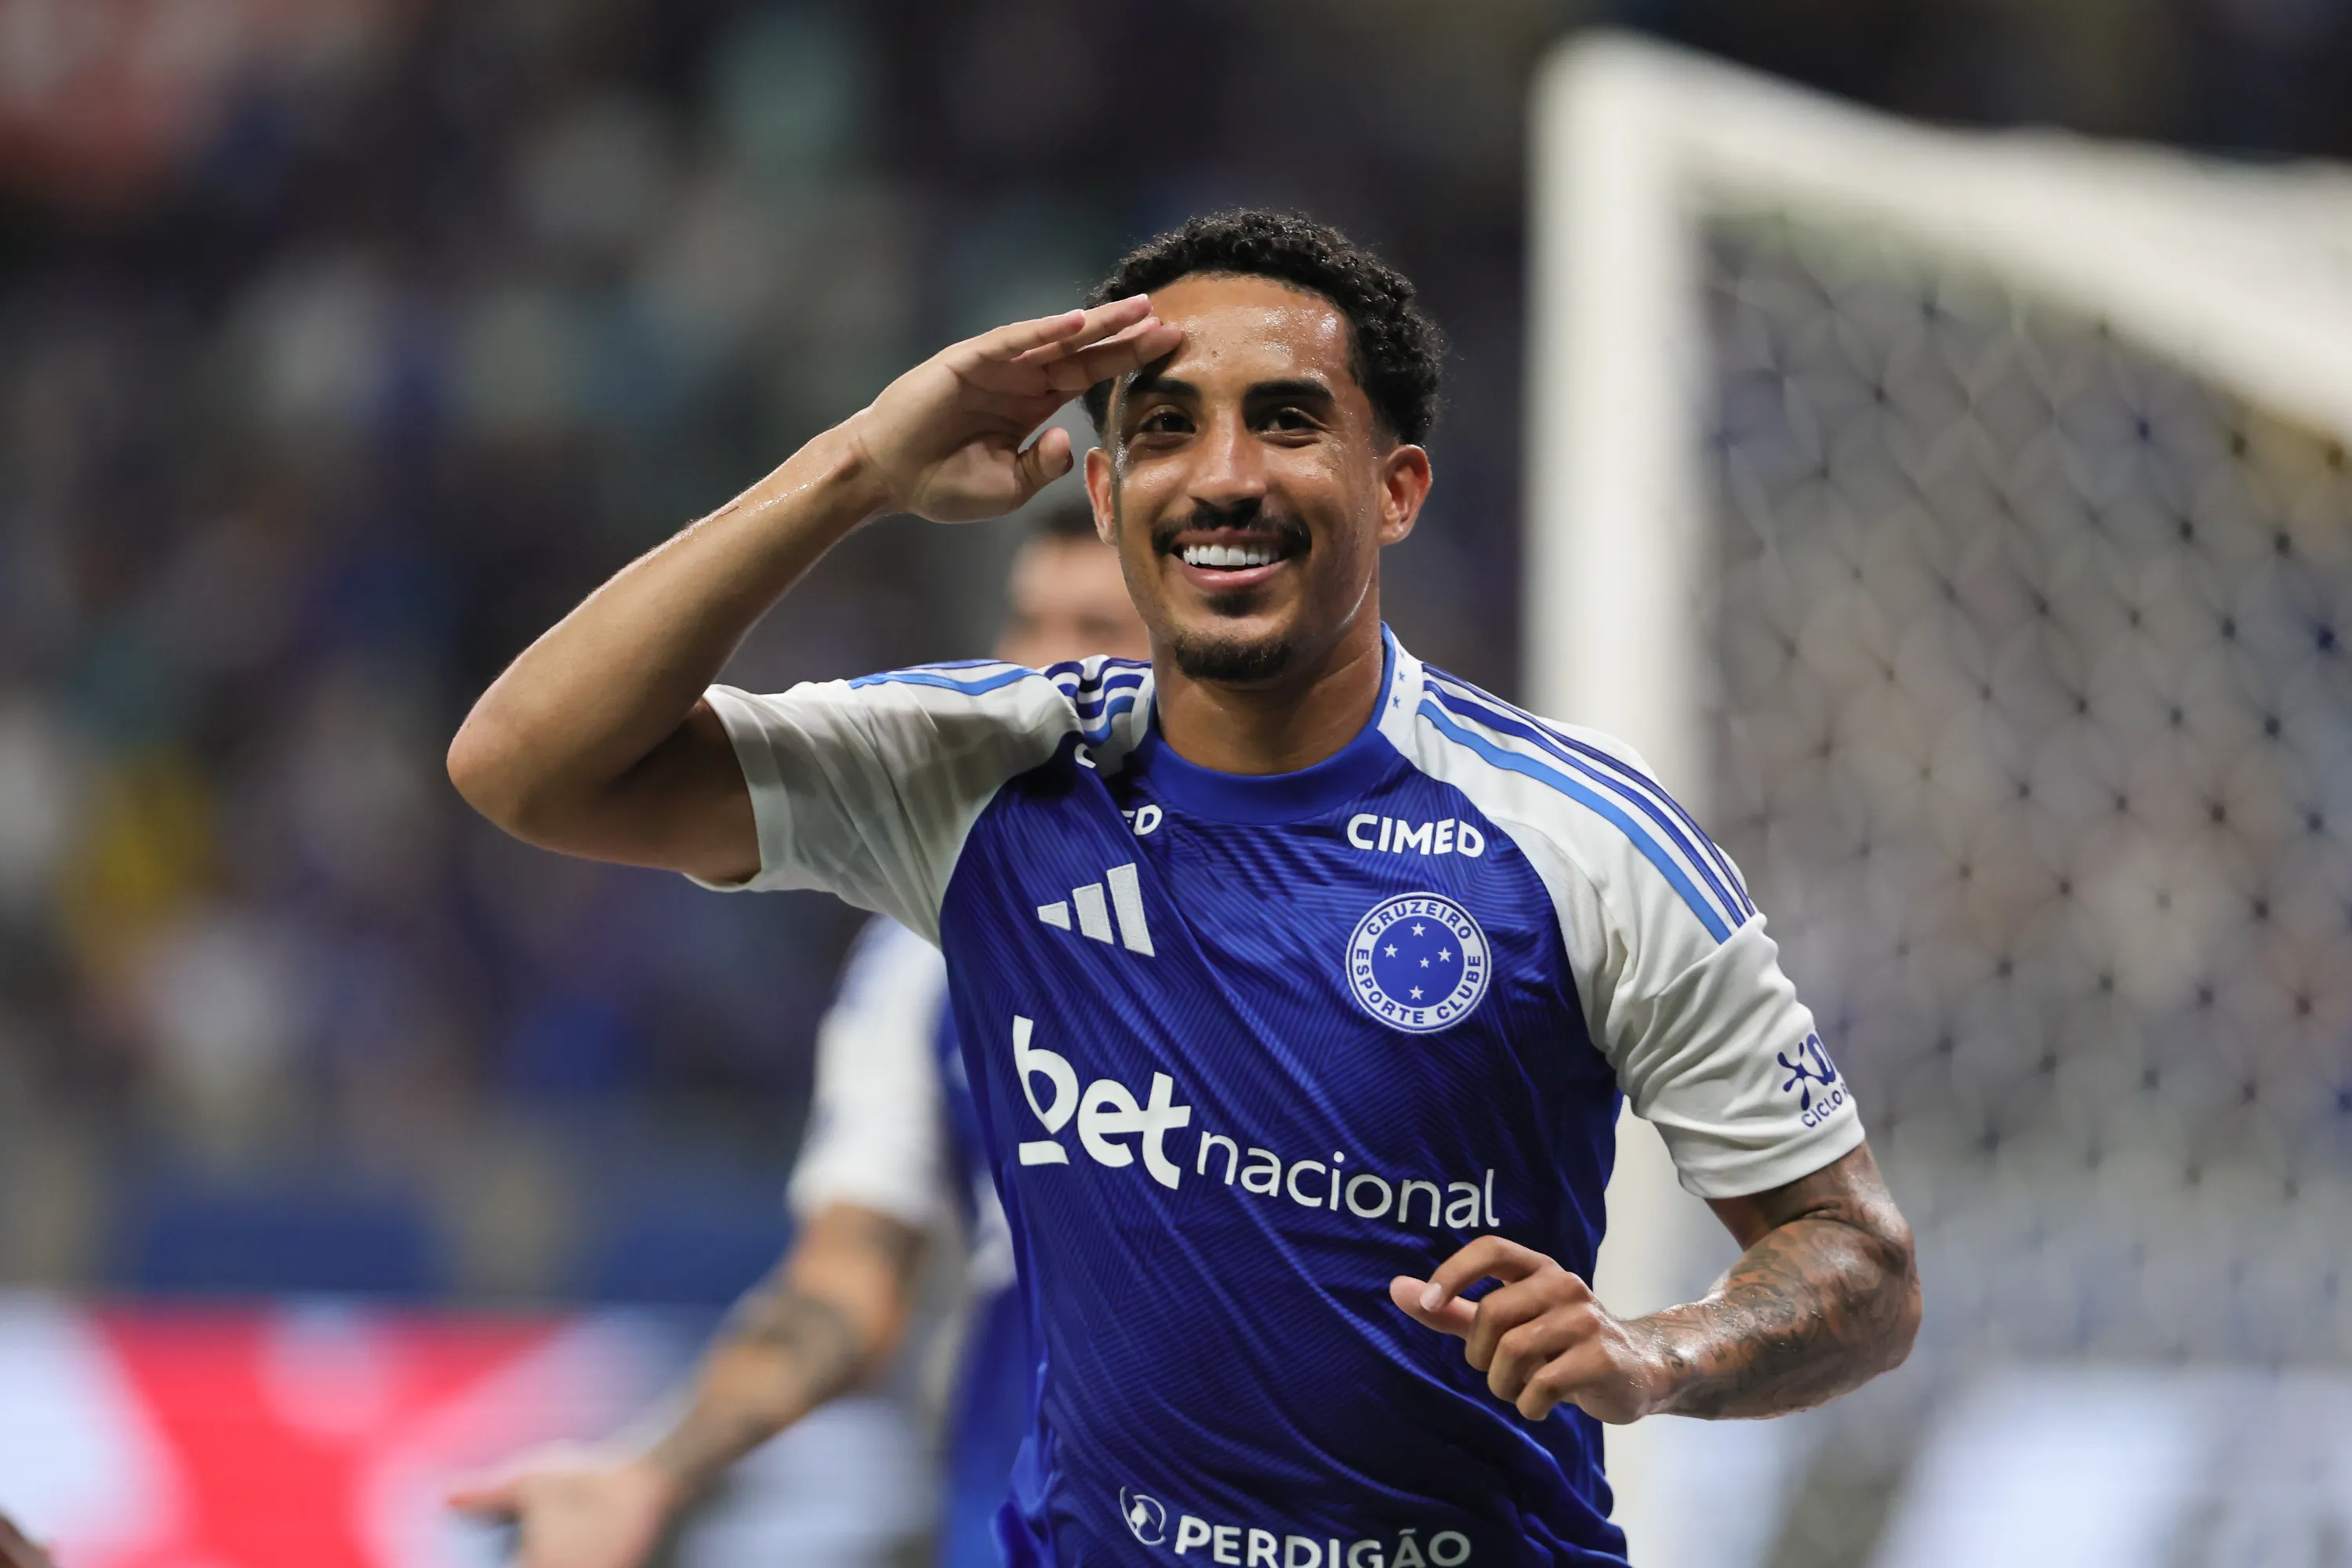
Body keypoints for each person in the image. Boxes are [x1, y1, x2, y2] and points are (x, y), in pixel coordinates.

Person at [448, 209, 1921, 1566]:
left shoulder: (1582, 840)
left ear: (1395, 486)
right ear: (1103, 491)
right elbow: (528, 767)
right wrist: (859, 472)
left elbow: (1857, 1262)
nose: (1223, 474)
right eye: (1164, 430)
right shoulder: (987, 777)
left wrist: (1654, 1354)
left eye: (1286, 422)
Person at [449, 504, 1149, 1568]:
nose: (1045, 666)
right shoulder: (926, 953)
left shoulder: (1368, 914)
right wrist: (651, 1470)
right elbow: (844, 1290)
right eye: (1025, 622)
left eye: (1094, 627)